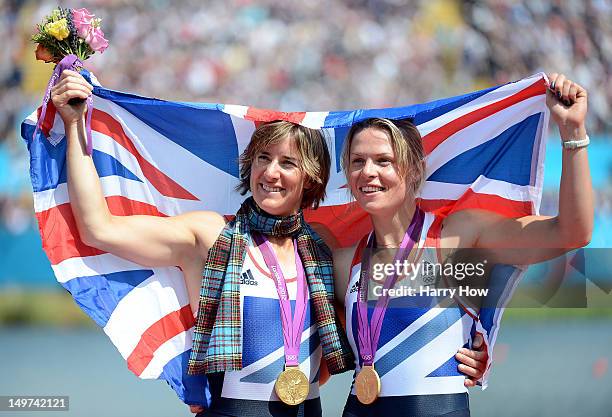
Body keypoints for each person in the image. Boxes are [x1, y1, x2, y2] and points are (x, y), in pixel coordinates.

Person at [50, 69, 489, 417]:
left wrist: (468, 350)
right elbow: (99, 229)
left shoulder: (323, 251)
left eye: (287, 162)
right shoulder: (210, 236)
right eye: (263, 158)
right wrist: (74, 124)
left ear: (310, 179)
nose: (270, 172)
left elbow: (394, 315)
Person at [333, 73, 592, 417]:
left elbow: (571, 232)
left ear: (413, 169)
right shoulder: (344, 261)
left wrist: (573, 133)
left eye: (383, 160)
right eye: (357, 161)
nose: (367, 172)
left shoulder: (457, 237)